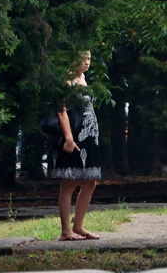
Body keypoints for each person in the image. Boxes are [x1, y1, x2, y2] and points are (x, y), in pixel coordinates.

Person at [50, 50, 102, 241]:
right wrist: (69, 138)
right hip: (74, 136)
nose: (87, 62)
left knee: (90, 181)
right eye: (83, 58)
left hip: (90, 136)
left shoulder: (82, 77)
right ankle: (66, 231)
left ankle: (79, 226)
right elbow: (61, 111)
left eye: (89, 58)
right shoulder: (66, 80)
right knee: (69, 181)